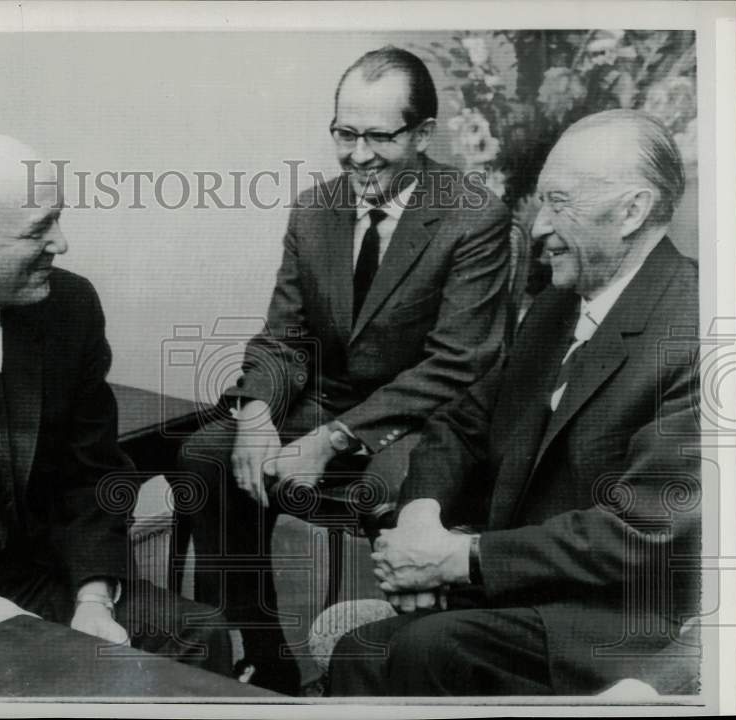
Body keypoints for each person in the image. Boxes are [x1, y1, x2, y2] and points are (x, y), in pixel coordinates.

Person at [174, 46, 512, 693]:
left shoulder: (474, 217)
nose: (358, 155)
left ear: (422, 134)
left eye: (379, 137)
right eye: (345, 133)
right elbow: (284, 338)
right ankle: (260, 652)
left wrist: (331, 440)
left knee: (393, 491)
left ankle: (394, 663)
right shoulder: (314, 209)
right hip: (322, 402)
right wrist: (256, 412)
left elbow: (458, 365)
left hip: (418, 420)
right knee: (208, 453)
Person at [329, 109, 701, 696]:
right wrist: (421, 520)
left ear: (631, 210)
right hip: (527, 591)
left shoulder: (699, 326)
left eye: (558, 203)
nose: (536, 228)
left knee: (431, 650)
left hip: (630, 621)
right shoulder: (555, 309)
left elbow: (642, 529)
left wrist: (460, 559)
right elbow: (461, 422)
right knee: (361, 652)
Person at [0, 131, 231, 678]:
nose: (61, 243)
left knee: (195, 637)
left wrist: (94, 599)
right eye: (38, 229)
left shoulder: (70, 306)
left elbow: (91, 474)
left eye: (57, 219)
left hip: (35, 577)